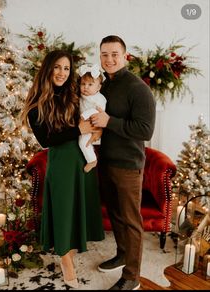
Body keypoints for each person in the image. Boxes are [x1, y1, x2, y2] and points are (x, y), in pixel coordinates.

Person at [21, 50, 105, 289]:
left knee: (76, 208)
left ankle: (71, 250)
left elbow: (91, 116)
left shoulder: (73, 94)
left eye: (66, 68)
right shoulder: (37, 102)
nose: (62, 73)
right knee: (62, 211)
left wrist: (95, 129)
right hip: (61, 162)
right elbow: (47, 140)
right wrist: (80, 129)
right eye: (57, 67)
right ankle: (66, 261)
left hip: (81, 158)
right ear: (48, 69)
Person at [90, 35, 156, 290]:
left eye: (114, 54)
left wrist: (110, 122)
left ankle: (132, 276)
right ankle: (122, 254)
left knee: (131, 220)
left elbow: (145, 130)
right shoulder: (105, 84)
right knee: (116, 214)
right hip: (106, 161)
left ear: (125, 56)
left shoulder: (138, 88)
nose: (109, 59)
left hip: (128, 165)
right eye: (104, 54)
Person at [78, 63, 107, 172]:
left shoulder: (99, 98)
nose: (85, 87)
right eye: (83, 84)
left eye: (90, 84)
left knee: (83, 142)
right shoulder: (82, 96)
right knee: (81, 141)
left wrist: (85, 115)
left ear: (98, 87)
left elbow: (99, 110)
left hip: (92, 123)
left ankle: (92, 160)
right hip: (82, 124)